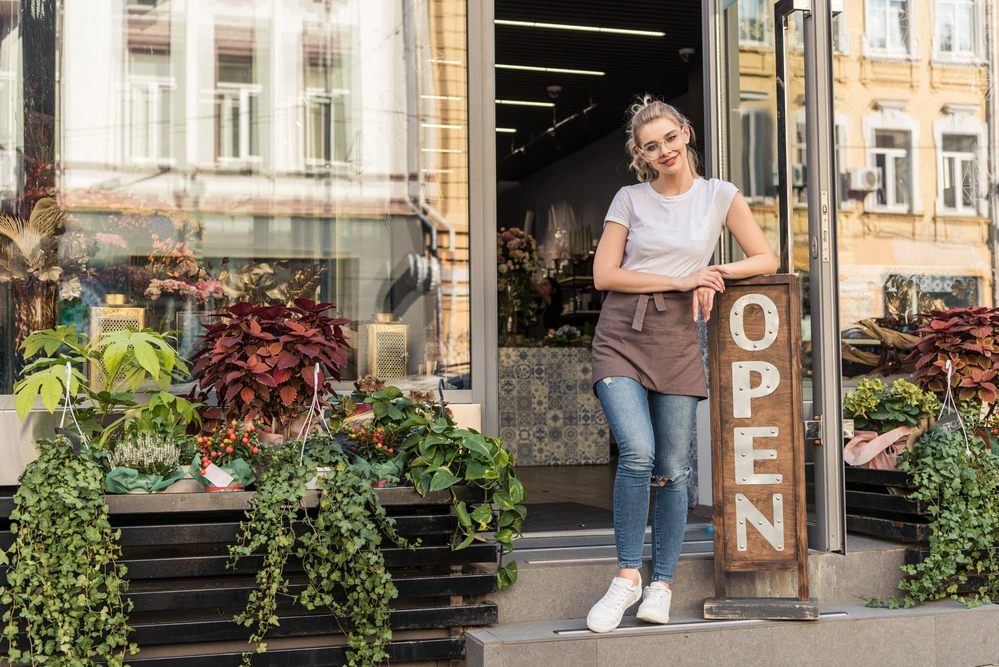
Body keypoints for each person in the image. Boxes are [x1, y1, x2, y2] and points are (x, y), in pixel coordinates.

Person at [585, 96, 777, 633]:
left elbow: (768, 258)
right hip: (622, 331)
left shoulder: (720, 195)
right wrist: (680, 279)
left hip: (676, 336)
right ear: (640, 155)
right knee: (638, 452)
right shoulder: (629, 198)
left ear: (686, 134)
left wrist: (716, 271)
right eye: (651, 146)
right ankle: (625, 577)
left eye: (670, 138)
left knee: (673, 469)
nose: (664, 150)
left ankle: (661, 584)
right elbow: (605, 275)